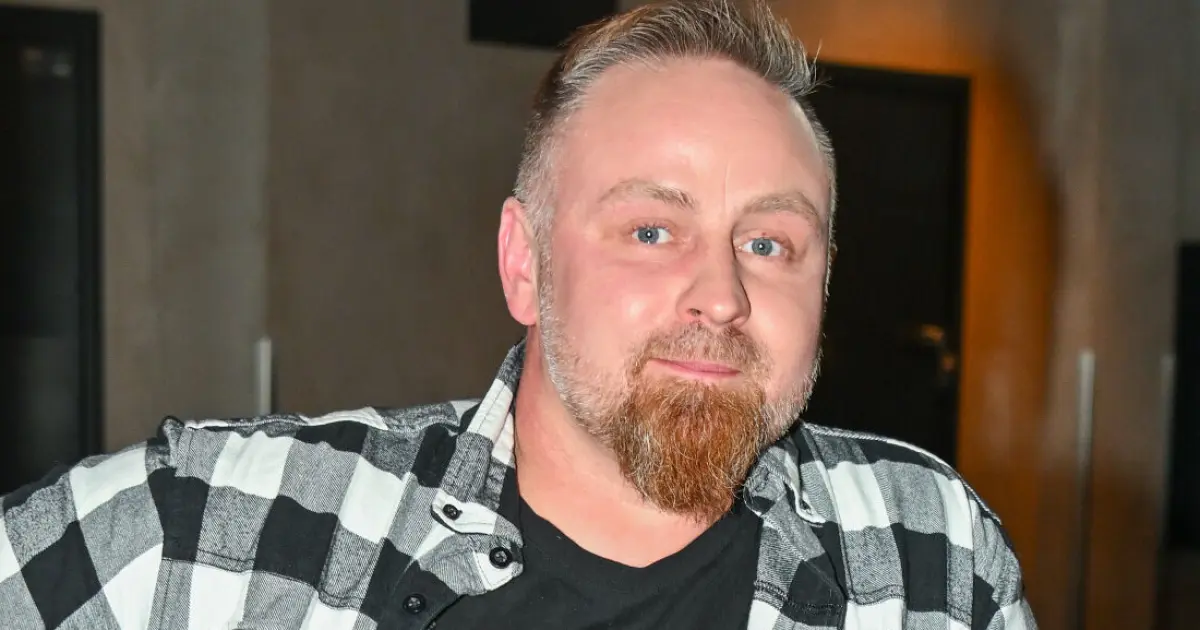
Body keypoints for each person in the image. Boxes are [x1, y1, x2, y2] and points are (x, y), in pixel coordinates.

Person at [0, 1, 1035, 628]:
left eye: (769, 244)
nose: (721, 295)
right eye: (651, 230)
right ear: (524, 264)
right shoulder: (218, 529)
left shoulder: (931, 553)